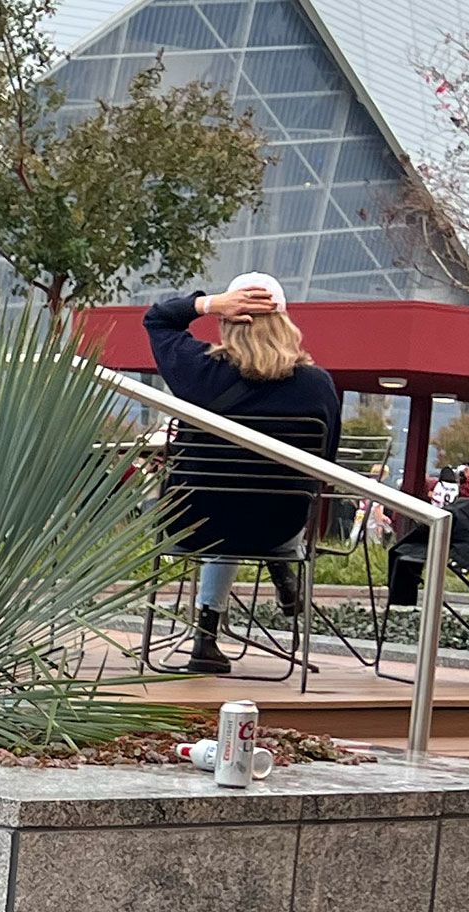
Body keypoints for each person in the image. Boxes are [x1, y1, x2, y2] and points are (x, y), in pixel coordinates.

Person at [142, 272, 341, 673]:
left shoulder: (199, 371)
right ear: (286, 322)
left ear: (226, 320)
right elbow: (327, 467)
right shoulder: (318, 385)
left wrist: (207, 303)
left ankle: (205, 638)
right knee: (246, 502)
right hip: (277, 530)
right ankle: (278, 571)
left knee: (215, 503)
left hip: (193, 525)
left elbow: (157, 319)